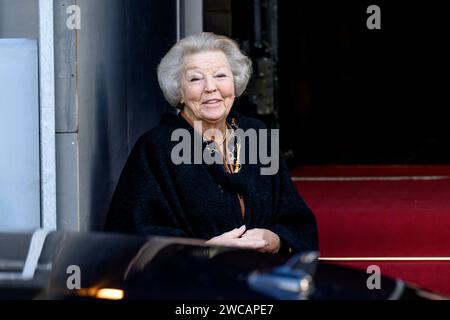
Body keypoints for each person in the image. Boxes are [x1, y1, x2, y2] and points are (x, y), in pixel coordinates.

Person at [104, 32, 318, 254]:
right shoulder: (155, 149)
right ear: (180, 91)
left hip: (261, 280)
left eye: (220, 76)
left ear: (234, 84)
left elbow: (295, 220)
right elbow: (130, 238)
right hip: (197, 284)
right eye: (195, 78)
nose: (210, 87)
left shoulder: (257, 135)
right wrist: (205, 250)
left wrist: (275, 239)